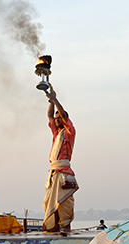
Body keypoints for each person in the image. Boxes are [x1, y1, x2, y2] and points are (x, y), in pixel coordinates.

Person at [42, 84, 78, 234]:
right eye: (56, 118)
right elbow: (50, 116)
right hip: (53, 172)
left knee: (65, 203)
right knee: (48, 203)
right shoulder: (56, 133)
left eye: (59, 118)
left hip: (64, 171)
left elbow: (62, 115)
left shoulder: (69, 131)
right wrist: (50, 101)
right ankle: (54, 226)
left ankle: (66, 226)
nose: (56, 120)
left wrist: (56, 99)